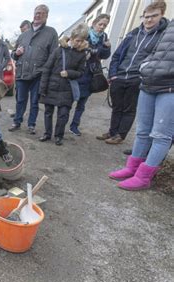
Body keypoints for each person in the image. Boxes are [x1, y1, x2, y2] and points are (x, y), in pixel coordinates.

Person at [108, 18, 173, 191]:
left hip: (170, 87)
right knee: (142, 130)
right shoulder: (170, 25)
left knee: (161, 135)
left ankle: (143, 177)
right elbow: (157, 50)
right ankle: (132, 167)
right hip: (150, 81)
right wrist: (146, 66)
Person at [97, 0, 168, 145]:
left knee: (129, 109)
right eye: (146, 16)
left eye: (153, 16)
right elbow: (117, 55)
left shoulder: (163, 36)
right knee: (117, 107)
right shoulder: (133, 34)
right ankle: (112, 131)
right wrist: (113, 74)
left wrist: (143, 77)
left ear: (162, 15)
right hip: (120, 76)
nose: (149, 19)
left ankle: (120, 135)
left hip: (138, 79)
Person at [9, 4, 58, 134]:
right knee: (20, 100)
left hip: (39, 74)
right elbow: (13, 54)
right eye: (36, 12)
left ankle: (31, 125)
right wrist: (17, 54)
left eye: (41, 13)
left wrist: (46, 73)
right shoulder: (24, 35)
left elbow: (54, 56)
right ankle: (17, 122)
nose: (37, 15)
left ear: (46, 16)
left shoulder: (51, 33)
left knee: (35, 102)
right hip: (22, 72)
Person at [38, 24, 88, 146]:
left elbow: (81, 73)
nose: (79, 43)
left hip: (67, 89)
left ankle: (59, 136)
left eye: (81, 41)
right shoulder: (59, 50)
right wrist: (43, 88)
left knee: (63, 114)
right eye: (77, 40)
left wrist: (69, 73)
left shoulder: (82, 54)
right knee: (48, 112)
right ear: (71, 38)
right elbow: (47, 69)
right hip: (52, 86)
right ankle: (47, 133)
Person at [68, 14, 111, 136]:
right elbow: (76, 48)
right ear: (94, 24)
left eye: (105, 25)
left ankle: (74, 126)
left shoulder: (104, 38)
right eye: (100, 24)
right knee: (69, 101)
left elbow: (104, 55)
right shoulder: (85, 35)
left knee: (82, 104)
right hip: (79, 72)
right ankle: (62, 123)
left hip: (91, 74)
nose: (102, 27)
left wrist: (106, 48)